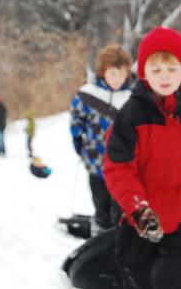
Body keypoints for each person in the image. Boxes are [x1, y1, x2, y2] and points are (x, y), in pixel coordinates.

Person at [103, 26, 181, 289]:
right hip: (138, 215)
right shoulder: (131, 114)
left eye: (172, 69)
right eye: (156, 70)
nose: (165, 77)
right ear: (143, 73)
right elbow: (118, 168)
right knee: (135, 272)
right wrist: (138, 209)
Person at [69, 44, 134, 236]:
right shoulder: (88, 94)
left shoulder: (133, 96)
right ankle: (99, 234)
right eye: (112, 74)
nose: (117, 79)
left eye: (121, 74)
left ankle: (120, 240)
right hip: (96, 161)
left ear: (127, 73)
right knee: (101, 203)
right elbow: (76, 120)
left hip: (124, 164)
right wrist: (78, 141)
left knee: (120, 207)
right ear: (102, 72)